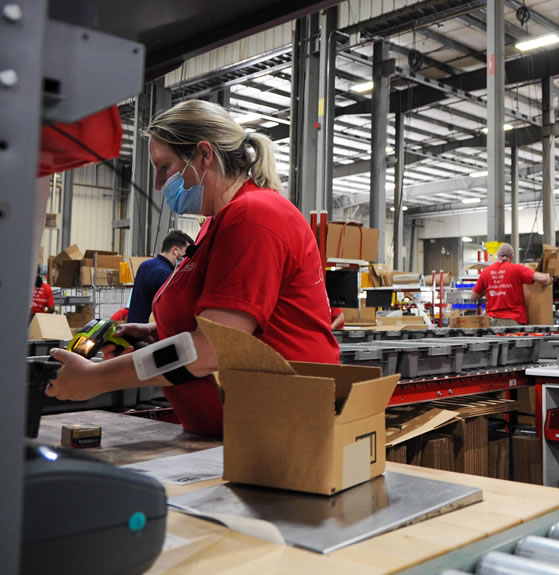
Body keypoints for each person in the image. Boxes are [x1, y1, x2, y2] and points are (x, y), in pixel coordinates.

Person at [46, 99, 340, 437]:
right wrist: (158, 332)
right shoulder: (217, 225)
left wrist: (97, 378)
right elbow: (229, 328)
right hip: (237, 435)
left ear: (203, 155)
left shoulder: (255, 218)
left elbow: (212, 349)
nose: (158, 185)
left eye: (164, 167)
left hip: (277, 438)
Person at [472, 243, 552, 327]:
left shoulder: (486, 272)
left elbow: (473, 297)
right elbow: (544, 279)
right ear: (512, 255)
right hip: (513, 322)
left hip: (492, 323)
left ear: (498, 255)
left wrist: (487, 289)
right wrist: (549, 278)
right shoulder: (517, 269)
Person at [127, 230, 193, 323]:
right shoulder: (166, 274)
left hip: (133, 327)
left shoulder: (145, 265)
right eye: (185, 254)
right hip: (148, 333)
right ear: (175, 251)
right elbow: (170, 312)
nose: (186, 259)